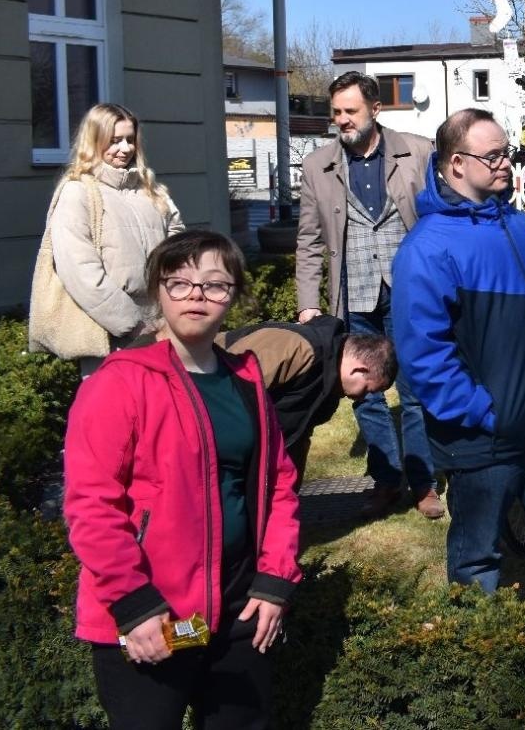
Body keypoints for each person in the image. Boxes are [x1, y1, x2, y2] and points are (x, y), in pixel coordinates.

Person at [64, 230, 301, 729]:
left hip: (238, 609)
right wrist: (134, 604)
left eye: (215, 284)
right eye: (180, 282)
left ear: (233, 295)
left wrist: (274, 580)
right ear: (158, 290)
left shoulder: (245, 379)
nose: (197, 295)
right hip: (154, 611)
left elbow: (278, 484)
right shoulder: (120, 382)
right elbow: (91, 506)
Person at [391, 108, 525, 595]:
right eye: (493, 156)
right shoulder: (426, 249)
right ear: (456, 164)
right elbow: (424, 358)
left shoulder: (523, 227)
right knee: (477, 558)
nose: (506, 163)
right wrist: (486, 412)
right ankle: (478, 641)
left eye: (507, 152)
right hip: (484, 438)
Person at [296, 71, 441, 519]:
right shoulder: (317, 165)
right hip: (353, 295)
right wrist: (308, 302)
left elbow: (440, 221)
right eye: (336, 112)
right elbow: (308, 240)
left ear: (375, 110)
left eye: (350, 111)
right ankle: (386, 479)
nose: (341, 119)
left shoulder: (418, 152)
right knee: (364, 393)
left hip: (410, 295)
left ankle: (423, 482)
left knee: (414, 390)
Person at [36, 103, 184, 374]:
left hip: (160, 323)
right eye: (115, 141)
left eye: (130, 139)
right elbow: (81, 272)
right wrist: (132, 324)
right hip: (109, 332)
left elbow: (178, 244)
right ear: (94, 141)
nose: (125, 148)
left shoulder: (151, 191)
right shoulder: (77, 193)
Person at [217, 316, 396, 480]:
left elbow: (296, 440)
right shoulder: (296, 348)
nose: (362, 398)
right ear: (359, 369)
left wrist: (290, 495)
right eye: (367, 390)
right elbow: (225, 394)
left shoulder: (328, 388)